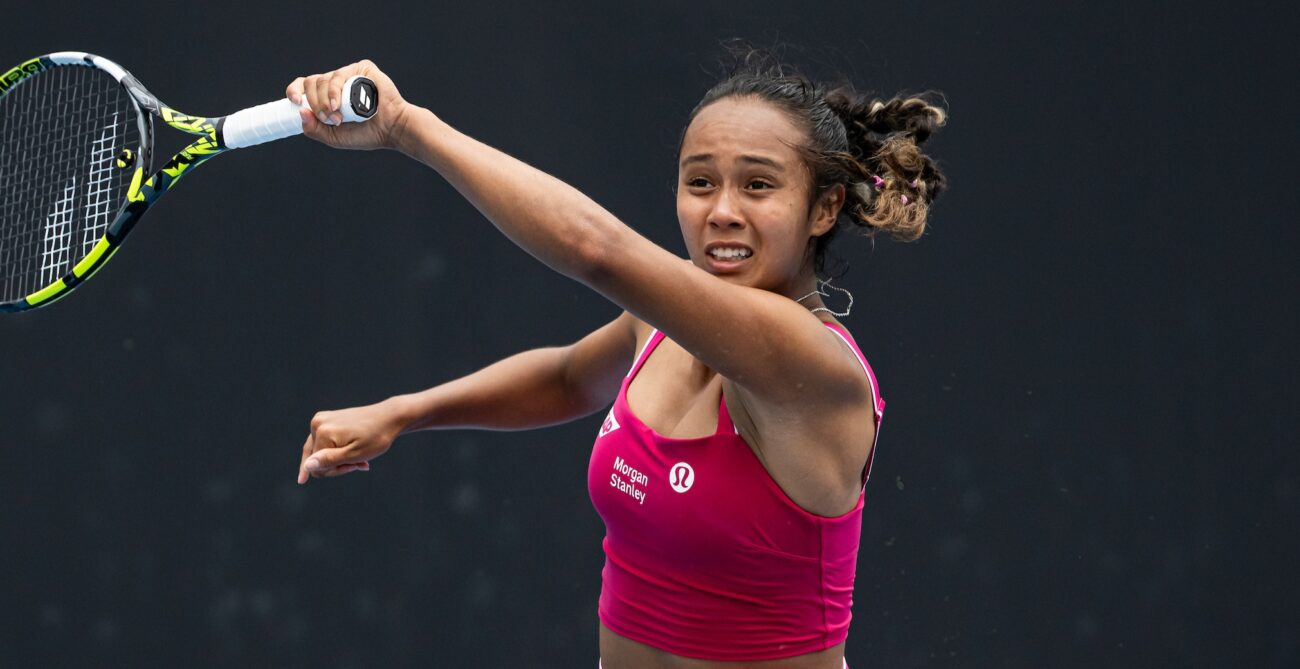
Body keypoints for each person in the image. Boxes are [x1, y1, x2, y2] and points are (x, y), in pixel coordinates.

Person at [291, 48, 947, 669]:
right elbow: (571, 376)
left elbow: (596, 251)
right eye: (699, 182)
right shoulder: (662, 325)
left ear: (824, 206)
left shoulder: (810, 362)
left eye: (757, 185)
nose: (721, 210)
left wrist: (408, 127)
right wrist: (405, 412)